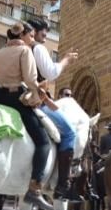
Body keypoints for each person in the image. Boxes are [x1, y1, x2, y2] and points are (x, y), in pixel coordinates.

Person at [0, 21, 51, 210]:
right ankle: (35, 187)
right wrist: (38, 91)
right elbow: (30, 80)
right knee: (43, 141)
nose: (31, 38)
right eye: (30, 35)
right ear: (22, 36)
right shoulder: (24, 51)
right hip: (14, 98)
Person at [26, 18, 80, 200]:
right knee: (70, 132)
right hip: (34, 101)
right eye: (43, 33)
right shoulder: (37, 48)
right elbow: (51, 73)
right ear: (33, 31)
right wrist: (65, 60)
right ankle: (62, 184)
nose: (44, 37)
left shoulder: (13, 47)